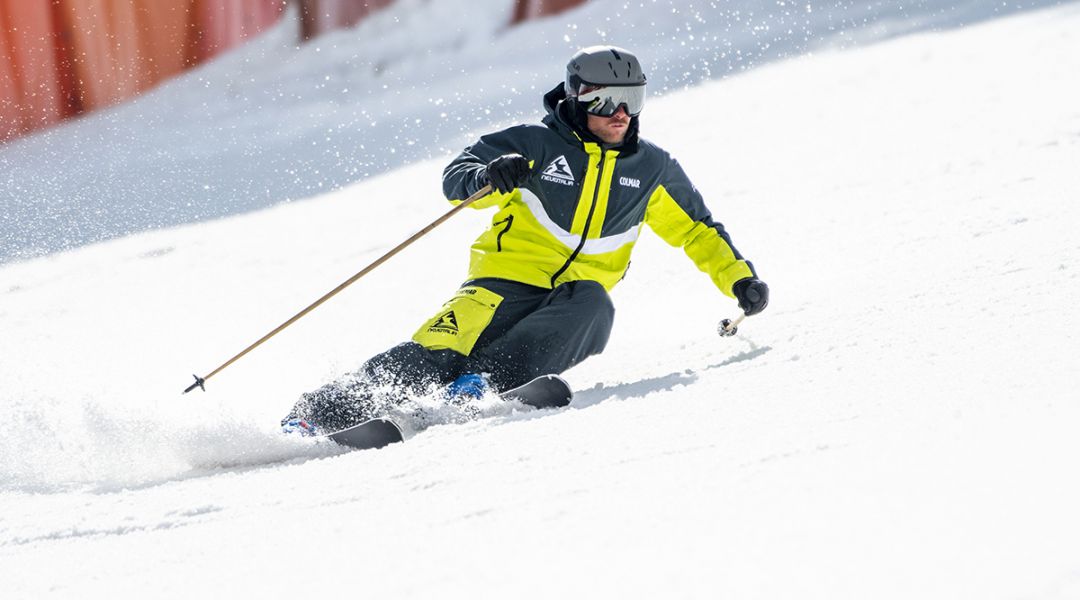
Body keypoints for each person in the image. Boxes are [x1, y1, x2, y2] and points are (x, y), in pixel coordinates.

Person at [282, 45, 769, 434]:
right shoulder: (535, 143)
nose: (621, 113)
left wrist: (739, 278)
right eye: (605, 101)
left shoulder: (652, 168)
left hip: (571, 300)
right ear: (577, 99)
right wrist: (489, 175)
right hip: (501, 284)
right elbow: (457, 178)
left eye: (633, 99)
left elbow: (696, 228)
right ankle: (318, 413)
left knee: (596, 308)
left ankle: (481, 386)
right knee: (435, 353)